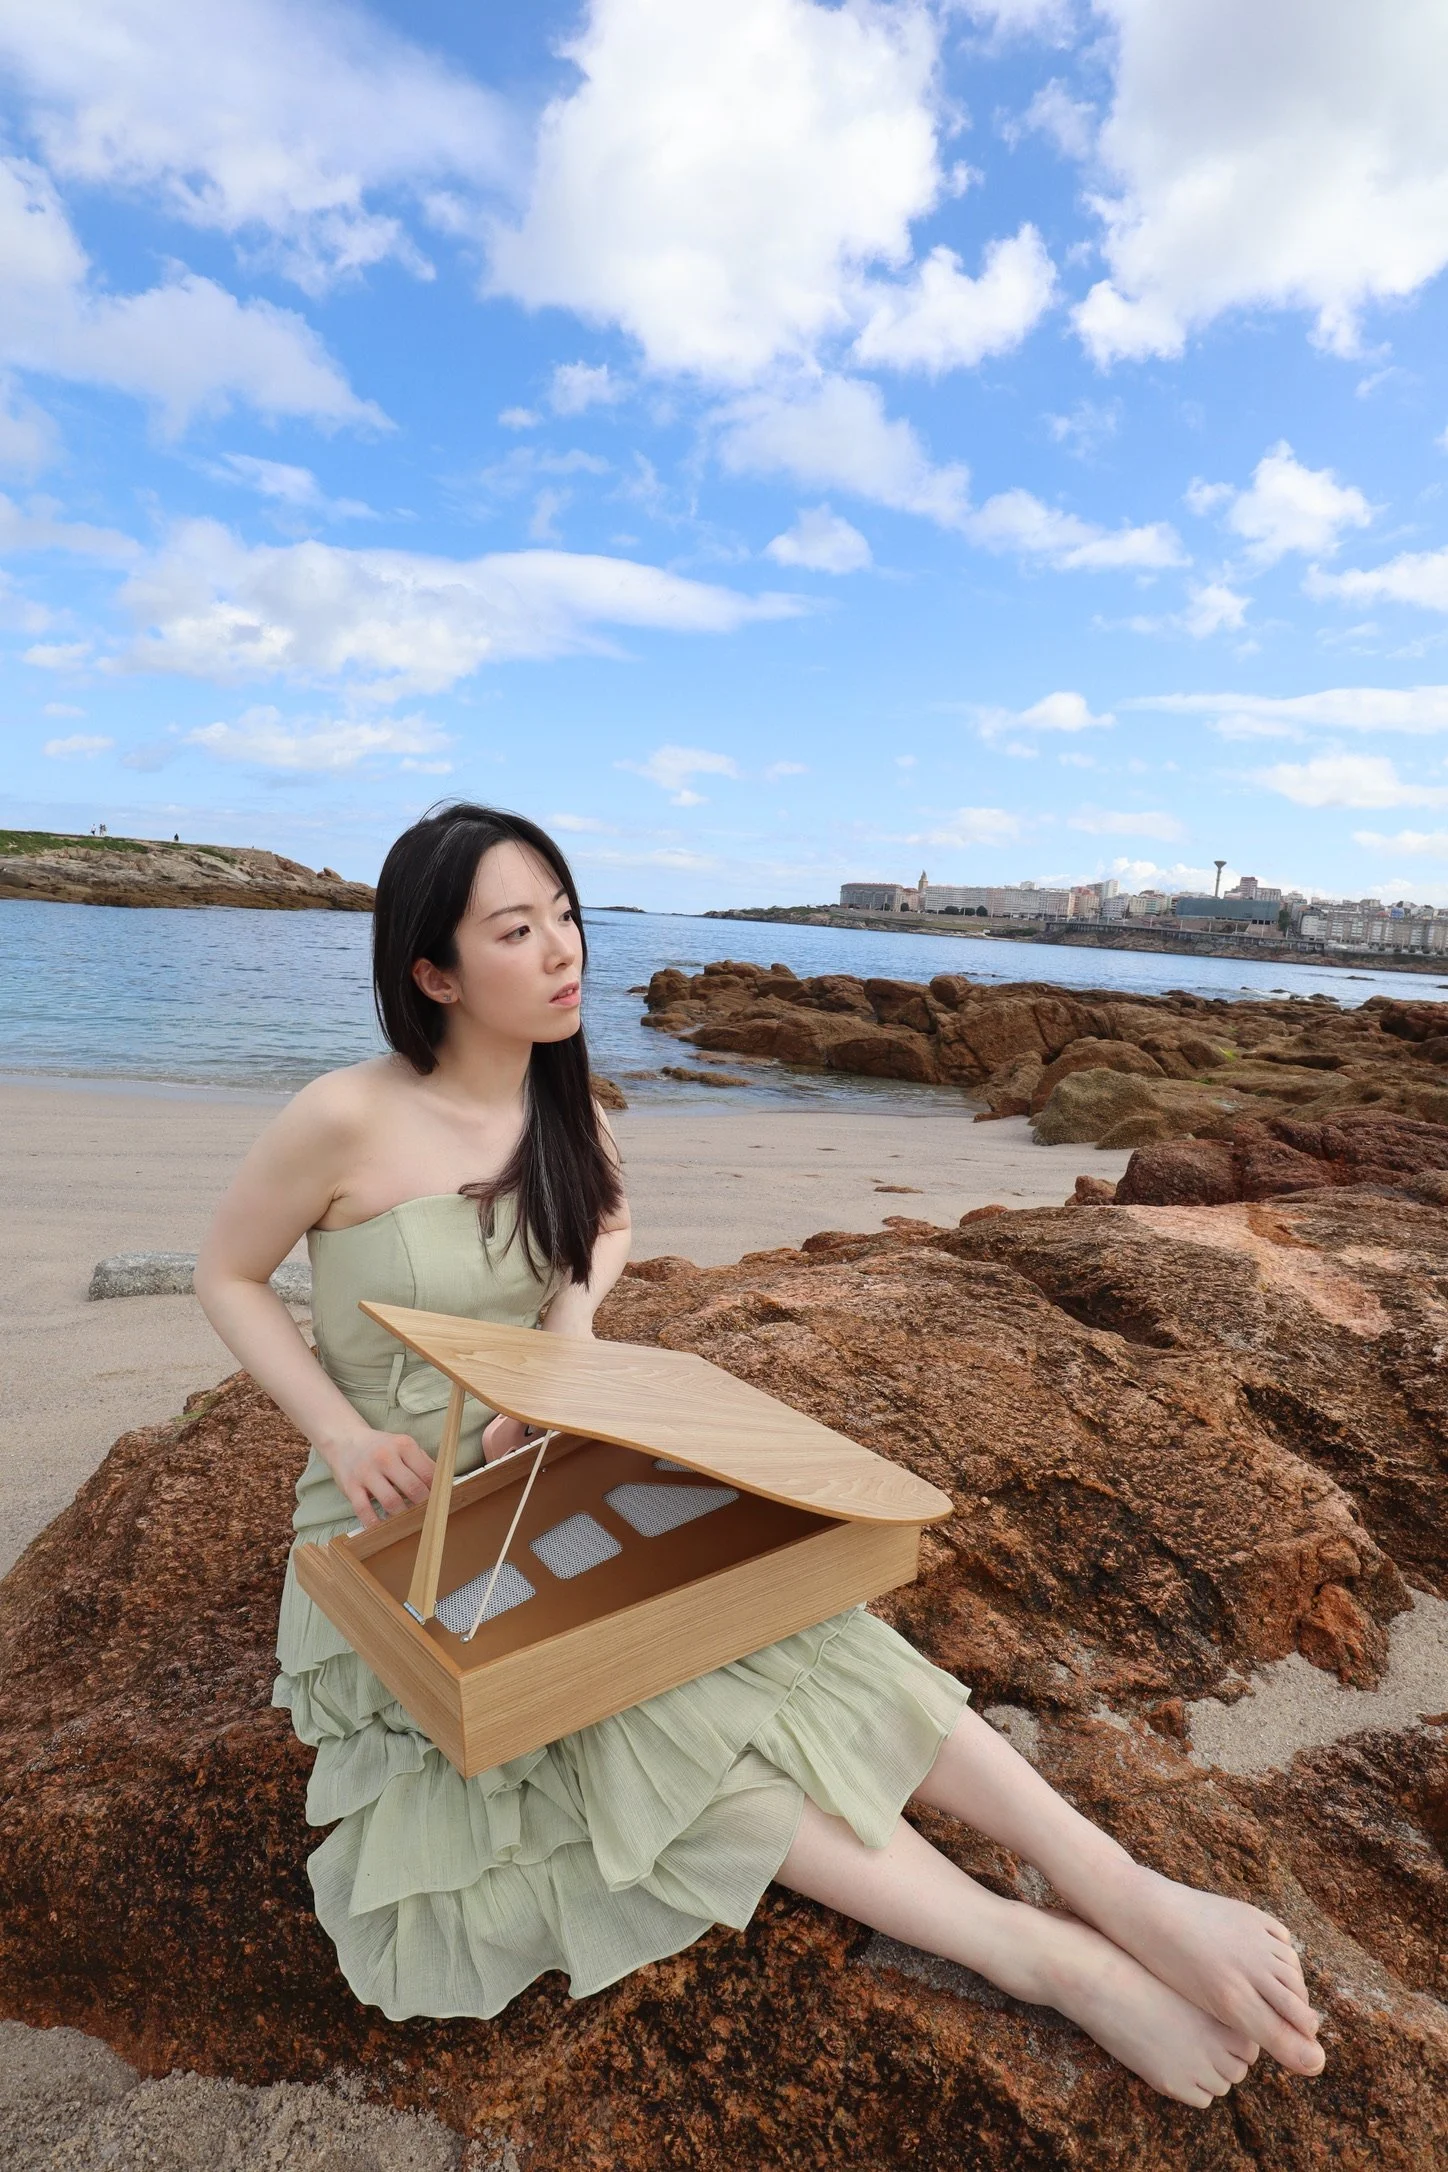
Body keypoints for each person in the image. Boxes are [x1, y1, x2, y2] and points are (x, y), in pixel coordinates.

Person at [195, 803, 1325, 2108]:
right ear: (433, 974)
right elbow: (229, 1274)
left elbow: (602, 1222)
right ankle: (1040, 1958)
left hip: (543, 1461)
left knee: (789, 1622)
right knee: (633, 1700)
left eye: (565, 913)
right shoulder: (341, 1116)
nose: (564, 950)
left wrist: (564, 1334)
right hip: (394, 1512)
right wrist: (341, 1430)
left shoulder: (570, 1111)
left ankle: (1117, 1883)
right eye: (518, 929)